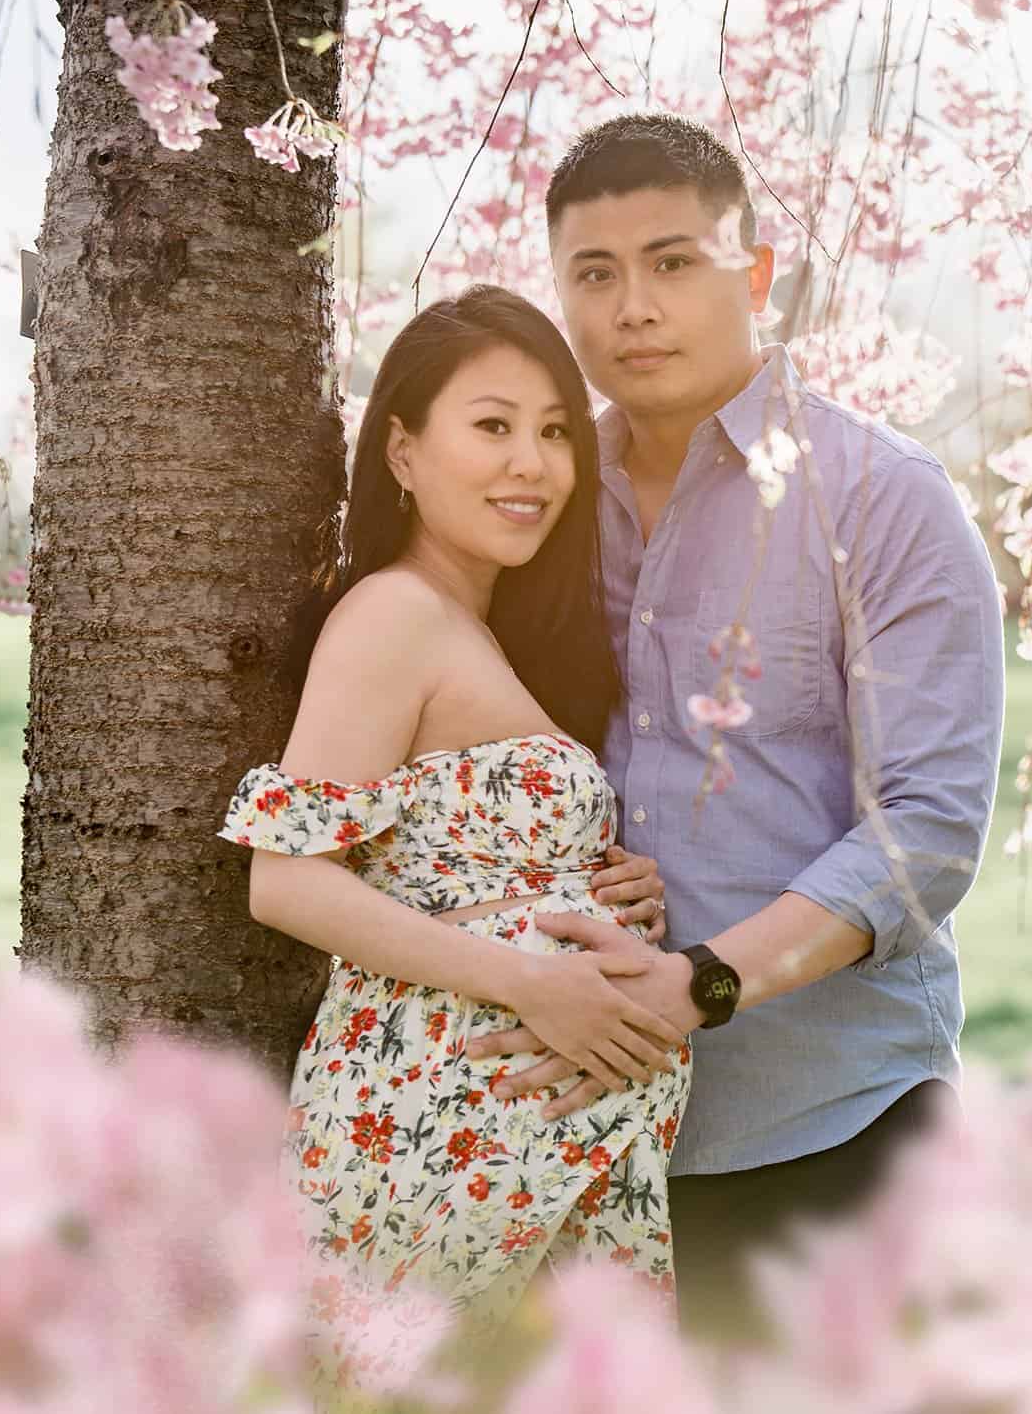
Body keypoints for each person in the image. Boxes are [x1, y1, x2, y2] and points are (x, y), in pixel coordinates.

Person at [466, 112, 1006, 1335]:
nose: (632, 308)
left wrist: (697, 985)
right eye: (593, 276)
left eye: (672, 263)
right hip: (573, 1139)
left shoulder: (882, 502)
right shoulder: (531, 504)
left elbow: (925, 834)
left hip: (828, 1127)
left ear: (753, 277)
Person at [215, 286, 692, 1349]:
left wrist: (607, 885)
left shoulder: (486, 633)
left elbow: (460, 858)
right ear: (401, 451)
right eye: (492, 425)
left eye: (556, 432)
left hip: (524, 1151)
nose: (532, 463)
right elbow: (286, 882)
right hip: (427, 1138)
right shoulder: (391, 614)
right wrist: (531, 979)